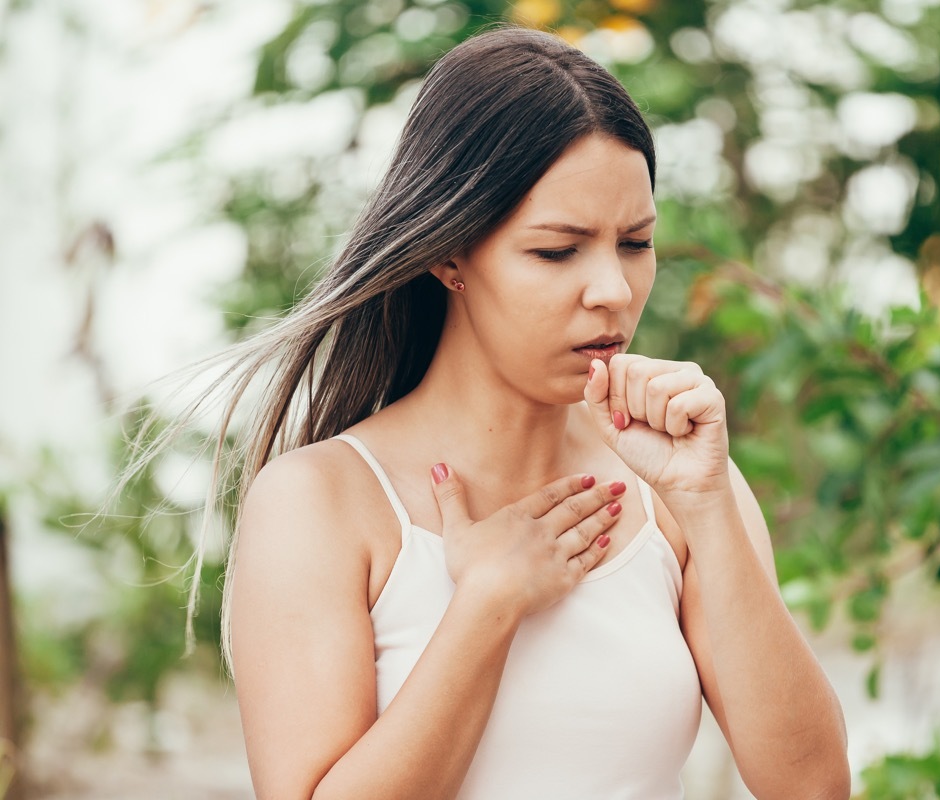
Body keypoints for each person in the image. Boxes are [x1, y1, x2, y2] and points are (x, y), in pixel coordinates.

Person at [219, 25, 848, 800]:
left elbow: (813, 786)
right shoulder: (320, 502)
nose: (613, 291)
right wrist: (486, 607)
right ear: (449, 255)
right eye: (558, 251)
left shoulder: (676, 490)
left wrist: (710, 508)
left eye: (636, 242)